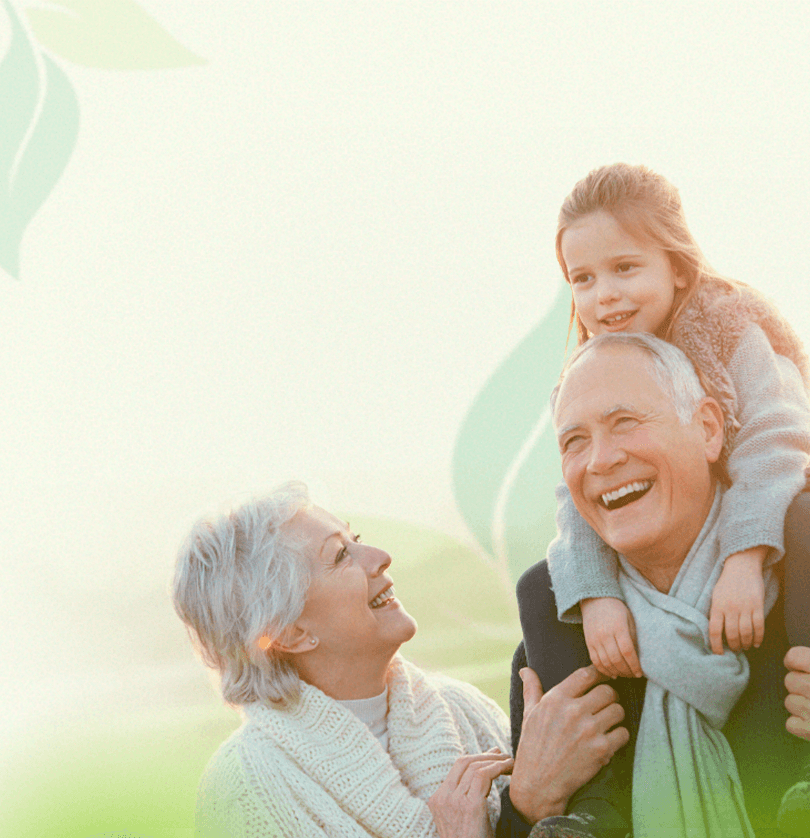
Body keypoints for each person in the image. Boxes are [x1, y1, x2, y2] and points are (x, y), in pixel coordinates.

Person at [171, 482, 630, 838]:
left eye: (357, 539)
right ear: (290, 633)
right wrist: (529, 803)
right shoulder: (246, 787)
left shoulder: (462, 709)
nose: (380, 558)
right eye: (339, 556)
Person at [503, 334, 810, 838]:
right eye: (574, 441)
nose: (600, 460)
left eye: (625, 422)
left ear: (709, 429)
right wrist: (529, 804)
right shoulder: (561, 648)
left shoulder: (797, 575)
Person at [547, 163, 810, 681]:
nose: (604, 295)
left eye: (625, 267)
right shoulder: (589, 371)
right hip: (672, 535)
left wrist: (745, 555)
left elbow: (775, 438)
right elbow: (578, 493)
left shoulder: (728, 329)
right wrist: (595, 593)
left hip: (764, 511)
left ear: (679, 268)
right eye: (583, 278)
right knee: (544, 589)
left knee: (804, 522)